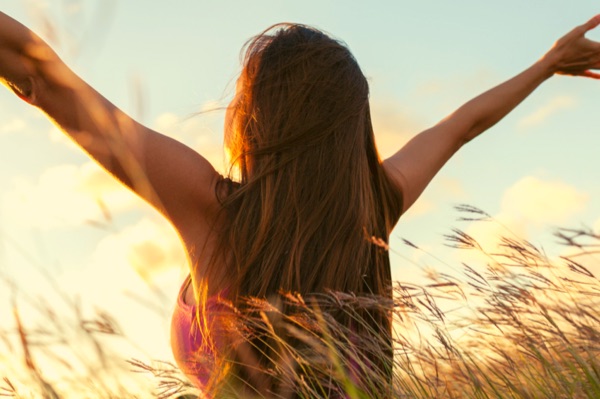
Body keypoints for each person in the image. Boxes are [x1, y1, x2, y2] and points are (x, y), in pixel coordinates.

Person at [1, 10, 600, 398]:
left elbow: (47, 81)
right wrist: (545, 66)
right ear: (350, 127)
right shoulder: (375, 210)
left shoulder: (210, 208)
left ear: (257, 118)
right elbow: (460, 125)